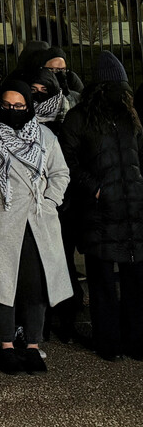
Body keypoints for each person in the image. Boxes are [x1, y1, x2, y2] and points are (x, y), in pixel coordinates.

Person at [0, 80, 72, 374]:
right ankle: (6, 345)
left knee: (36, 284)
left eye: (19, 106)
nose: (12, 110)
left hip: (38, 219)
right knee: (2, 285)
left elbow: (60, 172)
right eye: (7, 105)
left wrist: (49, 201)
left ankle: (33, 345)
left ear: (29, 105)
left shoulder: (45, 135)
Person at [59, 51, 143, 361]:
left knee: (136, 282)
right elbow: (66, 160)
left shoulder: (131, 118)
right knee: (103, 282)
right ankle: (108, 342)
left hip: (133, 212)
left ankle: (136, 341)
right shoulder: (79, 118)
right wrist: (94, 188)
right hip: (98, 213)